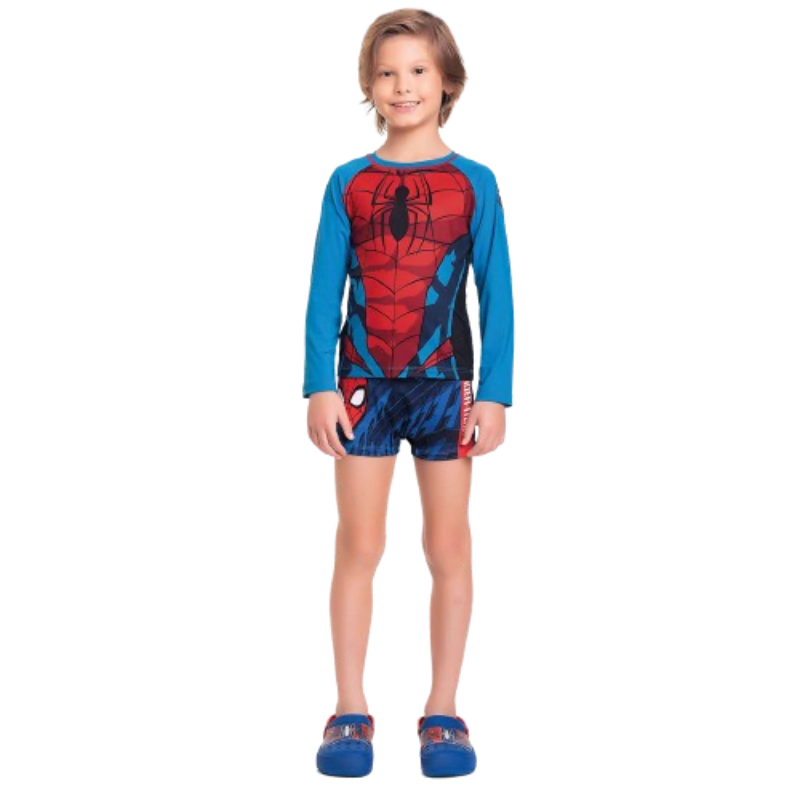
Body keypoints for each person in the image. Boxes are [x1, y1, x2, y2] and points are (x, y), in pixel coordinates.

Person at [303, 9, 514, 778]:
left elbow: (496, 293)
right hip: (361, 383)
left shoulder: (475, 183)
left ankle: (444, 709)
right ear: (369, 84)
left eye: (419, 70)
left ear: (447, 81)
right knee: (359, 543)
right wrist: (319, 384)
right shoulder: (348, 183)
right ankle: (349, 708)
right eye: (388, 72)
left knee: (447, 545)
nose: (403, 86)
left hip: (445, 386)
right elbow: (324, 292)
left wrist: (495, 393)